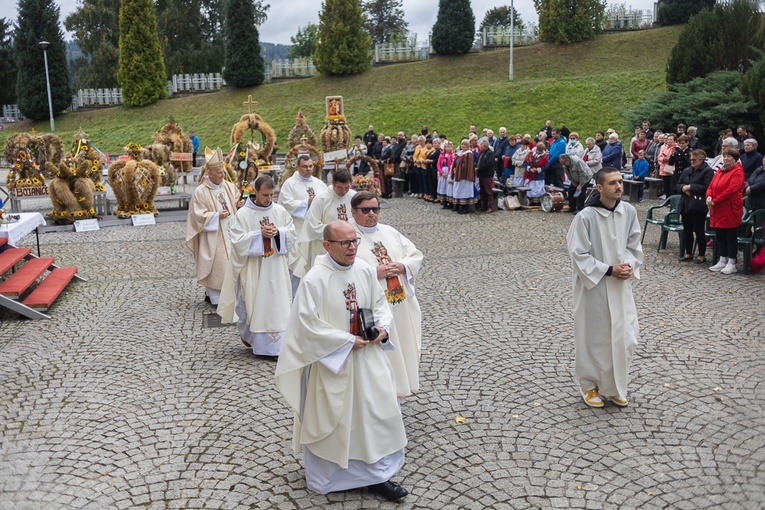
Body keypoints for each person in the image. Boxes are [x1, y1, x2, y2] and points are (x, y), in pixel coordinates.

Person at [274, 220, 408, 502]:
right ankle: (331, 478)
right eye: (345, 243)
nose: (352, 248)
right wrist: (346, 341)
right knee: (335, 419)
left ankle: (377, 476)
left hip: (368, 359)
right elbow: (306, 326)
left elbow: (381, 304)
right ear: (327, 245)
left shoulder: (363, 269)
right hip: (333, 364)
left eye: (354, 241)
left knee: (374, 415)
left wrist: (383, 327)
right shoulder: (315, 279)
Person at [566, 167, 643, 408]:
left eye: (620, 182)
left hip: (620, 287)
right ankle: (589, 385)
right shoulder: (585, 217)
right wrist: (608, 269)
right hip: (595, 287)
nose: (619, 186)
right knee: (595, 337)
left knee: (626, 338)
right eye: (613, 183)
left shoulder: (628, 211)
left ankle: (614, 386)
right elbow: (577, 253)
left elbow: (634, 245)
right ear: (599, 187)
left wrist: (629, 265)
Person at [350, 192, 423, 397]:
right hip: (373, 308)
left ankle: (399, 389)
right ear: (353, 212)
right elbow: (344, 271)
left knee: (401, 347)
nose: (371, 214)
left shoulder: (390, 232)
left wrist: (402, 266)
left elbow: (415, 255)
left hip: (399, 305)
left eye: (375, 209)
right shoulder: (349, 237)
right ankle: (378, 396)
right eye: (365, 210)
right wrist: (374, 273)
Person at [218, 175, 296, 355]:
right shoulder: (244, 214)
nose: (269, 199)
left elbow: (292, 234)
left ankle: (279, 345)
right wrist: (258, 234)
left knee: (280, 304)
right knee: (255, 303)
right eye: (265, 195)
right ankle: (258, 344)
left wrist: (279, 233)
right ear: (255, 192)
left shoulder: (280, 211)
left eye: (272, 195)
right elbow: (236, 241)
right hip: (255, 269)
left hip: (276, 267)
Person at [185, 147, 243, 305]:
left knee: (235, 263)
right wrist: (216, 215)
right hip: (213, 236)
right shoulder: (201, 192)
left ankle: (233, 296)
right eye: (219, 172)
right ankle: (215, 297)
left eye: (223, 172)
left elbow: (236, 202)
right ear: (209, 173)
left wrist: (239, 204)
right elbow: (197, 216)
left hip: (231, 233)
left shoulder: (228, 187)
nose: (223, 175)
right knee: (219, 265)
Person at [277, 154, 329, 293]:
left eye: (310, 166)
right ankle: (295, 295)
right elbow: (285, 204)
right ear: (298, 167)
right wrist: (306, 203)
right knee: (298, 264)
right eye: (305, 166)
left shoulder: (319, 183)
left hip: (315, 231)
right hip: (298, 230)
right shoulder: (290, 184)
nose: (308, 169)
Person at [295, 169, 357, 277]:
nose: (343, 191)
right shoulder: (321, 199)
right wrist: (336, 233)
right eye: (340, 188)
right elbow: (312, 227)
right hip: (324, 248)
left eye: (347, 188)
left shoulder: (353, 197)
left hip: (349, 246)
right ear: (332, 183)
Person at [707, 148, 746, 275]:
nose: (726, 158)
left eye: (729, 156)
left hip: (729, 208)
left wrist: (716, 200)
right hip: (717, 208)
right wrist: (709, 196)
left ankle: (732, 262)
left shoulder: (738, 171)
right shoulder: (720, 170)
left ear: (735, 158)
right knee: (720, 235)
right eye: (725, 156)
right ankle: (722, 260)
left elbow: (732, 190)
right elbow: (712, 185)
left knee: (730, 236)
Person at [676, 149, 713, 264]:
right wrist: (683, 188)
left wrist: (691, 187)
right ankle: (688, 253)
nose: (691, 161)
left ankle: (701, 255)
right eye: (691, 159)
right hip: (686, 203)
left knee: (699, 230)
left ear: (701, 159)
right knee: (687, 230)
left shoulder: (707, 171)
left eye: (694, 159)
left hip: (698, 205)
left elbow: (707, 187)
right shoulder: (687, 170)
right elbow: (677, 184)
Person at [451, 138, 478, 214]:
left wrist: (458, 169)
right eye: (462, 144)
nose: (463, 146)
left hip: (465, 177)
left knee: (464, 191)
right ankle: (459, 206)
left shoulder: (468, 154)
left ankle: (465, 207)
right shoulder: (460, 153)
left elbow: (466, 166)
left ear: (468, 146)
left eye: (465, 144)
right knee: (459, 190)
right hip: (458, 175)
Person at [476, 138, 496, 213]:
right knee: (483, 191)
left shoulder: (490, 153)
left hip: (487, 174)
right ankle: (484, 206)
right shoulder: (482, 153)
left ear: (485, 145)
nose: (480, 146)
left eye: (481, 145)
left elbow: (487, 164)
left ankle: (491, 207)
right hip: (481, 174)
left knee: (488, 191)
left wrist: (479, 169)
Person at [657, 133, 678, 199]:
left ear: (674, 140)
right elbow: (659, 157)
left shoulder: (676, 148)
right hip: (664, 169)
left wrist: (668, 159)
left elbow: (675, 158)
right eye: (668, 139)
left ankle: (672, 200)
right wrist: (663, 159)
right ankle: (667, 199)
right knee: (665, 186)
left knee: (671, 186)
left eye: (671, 139)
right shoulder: (664, 147)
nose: (669, 141)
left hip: (671, 169)